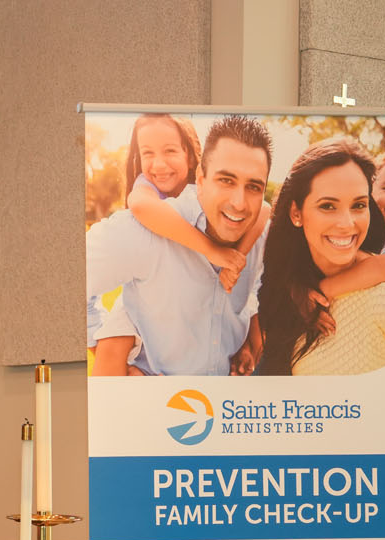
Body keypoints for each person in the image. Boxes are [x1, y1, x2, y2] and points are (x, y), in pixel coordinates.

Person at [85, 114, 273, 377]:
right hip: (152, 406)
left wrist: (242, 343)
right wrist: (106, 346)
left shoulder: (259, 232)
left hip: (223, 409)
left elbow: (251, 289)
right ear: (202, 177)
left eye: (253, 186)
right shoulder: (144, 228)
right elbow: (69, 279)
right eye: (226, 180)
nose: (240, 203)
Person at [257, 139, 385, 376]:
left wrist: (321, 291)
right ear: (296, 213)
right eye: (327, 206)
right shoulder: (291, 288)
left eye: (358, 205)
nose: (347, 224)